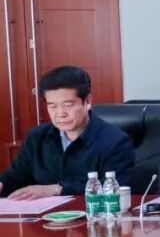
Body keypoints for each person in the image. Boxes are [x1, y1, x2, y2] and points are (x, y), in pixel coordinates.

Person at [0, 66, 133, 199]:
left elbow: (115, 188)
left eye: (68, 105)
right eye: (52, 106)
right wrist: (2, 184)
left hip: (88, 211)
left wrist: (58, 189)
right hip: (42, 211)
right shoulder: (36, 138)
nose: (60, 113)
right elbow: (16, 176)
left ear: (87, 101)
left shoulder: (115, 141)